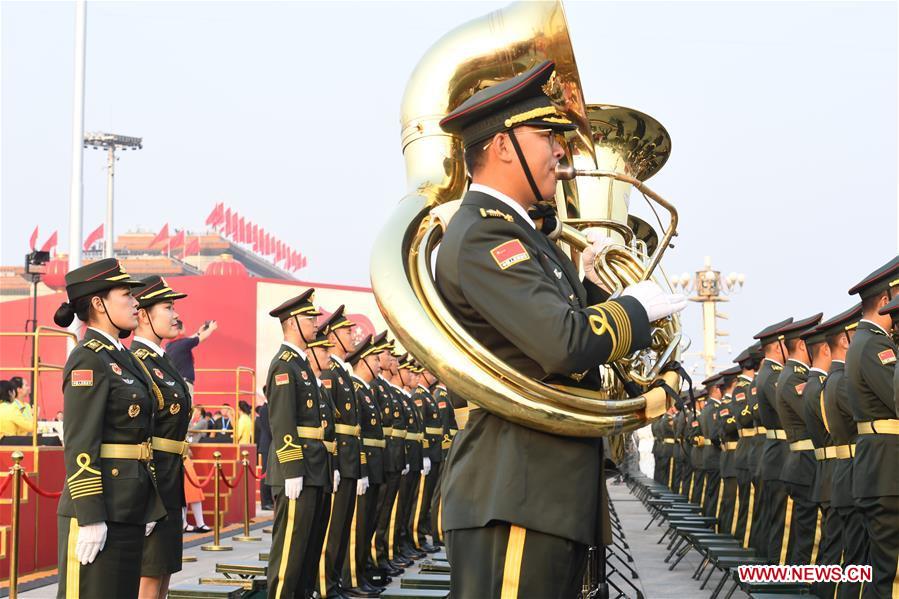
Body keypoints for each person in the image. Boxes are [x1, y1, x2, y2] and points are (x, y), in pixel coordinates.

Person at [433, 60, 686, 598]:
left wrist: (614, 307)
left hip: (543, 493)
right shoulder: (485, 237)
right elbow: (563, 343)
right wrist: (634, 309)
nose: (561, 150)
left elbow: (572, 346)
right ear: (503, 146)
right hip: (517, 493)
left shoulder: (526, 239)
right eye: (546, 135)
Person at [51, 258, 166, 599]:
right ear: (99, 304)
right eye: (127, 295)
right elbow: (80, 441)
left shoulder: (121, 358)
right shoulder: (89, 358)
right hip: (100, 507)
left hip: (128, 504)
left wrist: (147, 501)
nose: (135, 302)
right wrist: (89, 516)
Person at [129, 275, 193, 599]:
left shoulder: (161, 361)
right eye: (167, 307)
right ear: (143, 315)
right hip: (153, 483)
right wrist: (145, 501)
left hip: (170, 479)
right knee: (149, 575)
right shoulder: (138, 363)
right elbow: (137, 437)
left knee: (165, 570)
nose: (175, 314)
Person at [264, 290, 330, 599]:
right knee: (289, 554)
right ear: (291, 323)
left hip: (315, 466)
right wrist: (291, 468)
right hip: (298, 468)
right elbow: (282, 422)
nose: (315, 324)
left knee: (307, 552)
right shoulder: (284, 365)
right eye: (309, 318)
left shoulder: (302, 366)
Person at [845, 256, 899, 597]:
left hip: (877, 467)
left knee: (879, 570)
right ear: (884, 301)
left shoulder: (862, 342)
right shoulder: (875, 344)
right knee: (892, 575)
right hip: (885, 469)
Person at [770, 314, 822, 565]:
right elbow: (815, 417)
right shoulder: (794, 378)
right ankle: (797, 587)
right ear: (802, 344)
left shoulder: (794, 375)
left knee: (804, 536)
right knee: (806, 539)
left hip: (802, 462)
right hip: (804, 464)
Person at [165, 319, 217, 394]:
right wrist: (211, 328)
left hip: (176, 383)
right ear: (179, 330)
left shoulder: (169, 345)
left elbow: (189, 340)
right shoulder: (184, 343)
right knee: (188, 405)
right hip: (185, 383)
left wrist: (199, 332)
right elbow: (201, 338)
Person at [182, 450, 210, 533]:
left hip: (183, 456)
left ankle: (199, 523)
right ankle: (184, 524)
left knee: (192, 491)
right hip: (174, 456)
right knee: (182, 493)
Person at [255, 395, 274, 510]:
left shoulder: (268, 407)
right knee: (265, 473)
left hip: (269, 445)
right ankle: (265, 501)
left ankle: (269, 500)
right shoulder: (265, 409)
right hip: (267, 445)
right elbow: (269, 428)